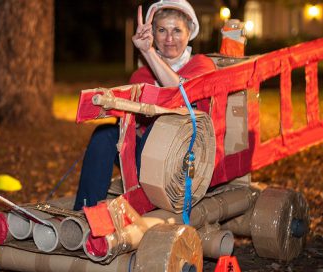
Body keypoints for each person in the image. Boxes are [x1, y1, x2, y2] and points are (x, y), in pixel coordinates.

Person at [73, 0, 216, 211]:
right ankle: (86, 211)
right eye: (161, 30)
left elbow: (180, 94)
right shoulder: (141, 75)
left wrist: (148, 52)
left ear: (189, 33)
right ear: (153, 34)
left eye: (177, 30)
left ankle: (140, 205)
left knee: (158, 128)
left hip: (185, 157)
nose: (169, 39)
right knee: (104, 135)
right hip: (145, 156)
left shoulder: (201, 65)